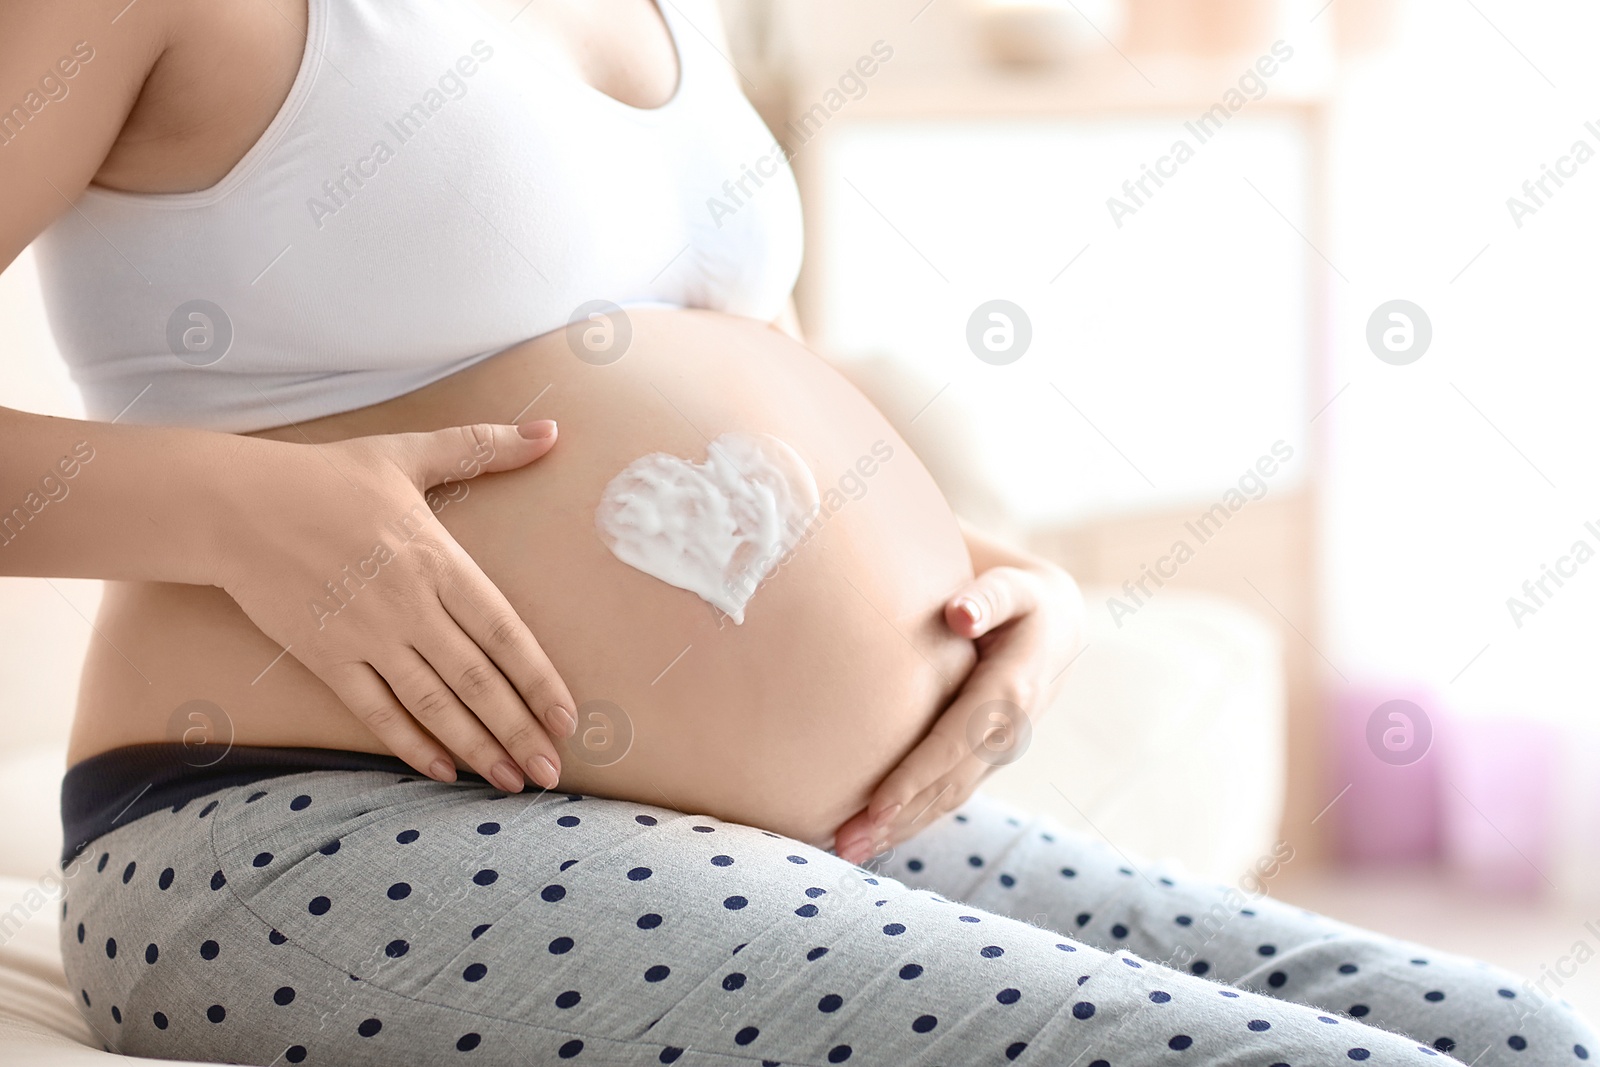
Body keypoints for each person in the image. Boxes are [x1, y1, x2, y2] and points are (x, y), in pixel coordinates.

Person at [4, 1, 1593, 1063]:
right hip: (300, 825)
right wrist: (232, 502)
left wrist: (987, 568)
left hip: (773, 827)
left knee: (1525, 1036)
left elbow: (746, 386)